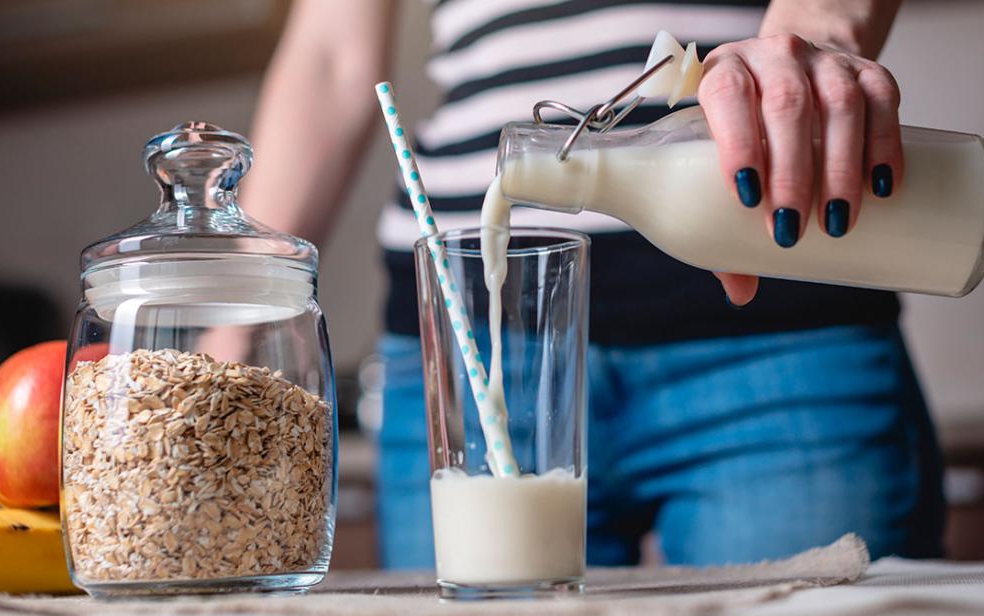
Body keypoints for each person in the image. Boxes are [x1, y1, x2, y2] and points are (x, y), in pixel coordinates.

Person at [242, 0, 943, 567]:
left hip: (778, 313)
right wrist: (228, 333)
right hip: (473, 342)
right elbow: (331, 57)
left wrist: (814, 37)